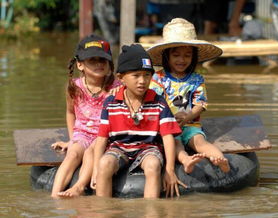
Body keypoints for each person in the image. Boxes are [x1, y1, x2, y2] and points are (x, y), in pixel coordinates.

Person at [92, 44, 185, 198]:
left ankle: (151, 211)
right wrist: (96, 169)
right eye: (136, 75)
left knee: (153, 165)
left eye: (147, 75)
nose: (142, 81)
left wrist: (169, 170)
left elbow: (168, 138)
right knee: (104, 164)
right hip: (119, 147)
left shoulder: (158, 102)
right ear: (121, 78)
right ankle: (103, 211)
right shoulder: (111, 103)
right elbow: (101, 138)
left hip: (148, 148)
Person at [148, 18, 230, 173]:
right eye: (176, 55)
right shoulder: (158, 78)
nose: (181, 60)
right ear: (167, 56)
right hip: (168, 126)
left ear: (193, 57)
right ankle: (186, 161)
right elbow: (154, 103)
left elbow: (201, 104)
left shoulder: (197, 79)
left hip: (190, 123)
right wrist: (170, 120)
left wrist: (187, 116)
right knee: (176, 142)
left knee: (200, 142)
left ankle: (220, 159)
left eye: (187, 55)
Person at [50, 34, 116, 198]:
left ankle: (79, 186)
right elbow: (70, 112)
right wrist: (72, 140)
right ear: (80, 64)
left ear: (109, 64)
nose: (99, 64)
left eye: (103, 60)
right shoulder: (75, 87)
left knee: (90, 153)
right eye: (92, 60)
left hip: (105, 134)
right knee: (73, 153)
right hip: (82, 133)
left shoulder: (116, 87)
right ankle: (54, 196)